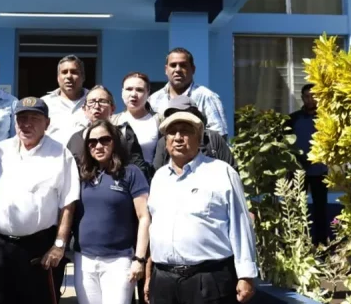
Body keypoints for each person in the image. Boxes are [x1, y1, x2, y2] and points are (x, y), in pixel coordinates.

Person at [145, 108, 257, 304]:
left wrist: (246, 275)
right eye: (172, 132)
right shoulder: (159, 177)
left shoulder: (222, 172)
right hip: (163, 280)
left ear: (199, 138)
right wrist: (149, 276)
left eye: (186, 131)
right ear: (165, 140)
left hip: (208, 280)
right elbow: (154, 229)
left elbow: (241, 225)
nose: (178, 138)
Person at [0, 97, 80, 304]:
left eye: (34, 118)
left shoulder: (61, 154)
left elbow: (68, 204)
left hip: (40, 247)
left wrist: (59, 245)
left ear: (47, 123)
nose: (26, 124)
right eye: (21, 118)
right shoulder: (0, 151)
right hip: (1, 246)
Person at [73, 120, 151, 304]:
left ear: (115, 141)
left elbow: (144, 217)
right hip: (84, 260)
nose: (98, 146)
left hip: (119, 260)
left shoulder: (131, 173)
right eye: (92, 142)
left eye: (104, 140)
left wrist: (139, 258)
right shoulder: (81, 174)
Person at [67, 85, 153, 181]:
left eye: (102, 101)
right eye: (91, 102)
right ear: (84, 109)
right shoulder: (74, 139)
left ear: (113, 109)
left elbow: (139, 169)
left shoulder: (123, 134)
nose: (96, 106)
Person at [149, 48, 229, 138]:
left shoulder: (207, 96)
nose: (178, 69)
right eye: (173, 65)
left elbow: (218, 136)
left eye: (183, 65)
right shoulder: (154, 99)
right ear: (166, 69)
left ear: (193, 69)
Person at [286, 83, 328, 245]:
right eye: (306, 96)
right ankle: (298, 243)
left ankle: (322, 244)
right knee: (297, 208)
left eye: (313, 96)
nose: (310, 99)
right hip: (298, 172)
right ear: (302, 98)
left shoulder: (325, 119)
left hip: (319, 170)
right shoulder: (293, 119)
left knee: (320, 209)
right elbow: (286, 143)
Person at [152, 95, 236, 172]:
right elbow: (157, 172)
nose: (178, 138)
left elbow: (231, 171)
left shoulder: (212, 138)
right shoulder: (164, 142)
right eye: (173, 114)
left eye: (185, 113)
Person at [113, 72, 159, 167]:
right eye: (129, 89)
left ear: (148, 93)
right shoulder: (113, 121)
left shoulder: (159, 120)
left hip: (150, 178)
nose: (133, 94)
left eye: (139, 90)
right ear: (122, 92)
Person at [42, 55, 89, 145]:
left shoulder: (94, 101)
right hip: (54, 157)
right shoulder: (45, 103)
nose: (69, 76)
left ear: (83, 77)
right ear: (58, 77)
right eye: (64, 72)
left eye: (74, 72)